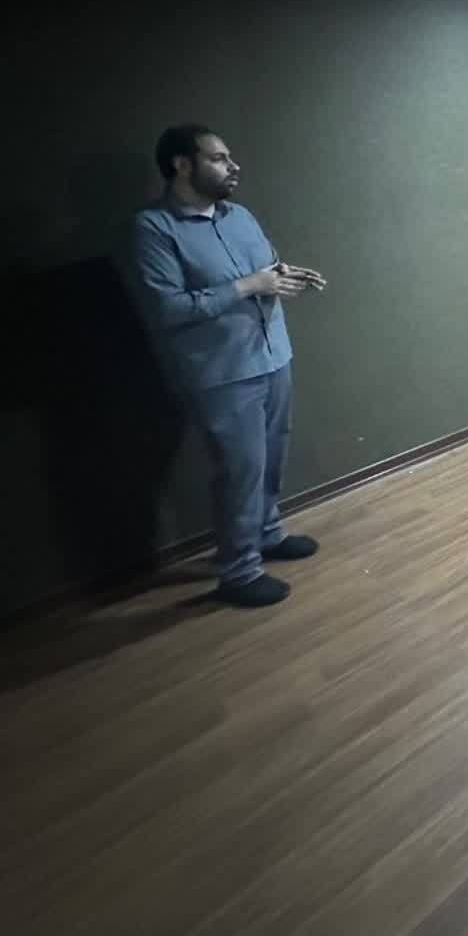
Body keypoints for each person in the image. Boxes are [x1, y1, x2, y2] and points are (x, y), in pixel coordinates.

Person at [125, 125, 328, 608]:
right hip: (223, 373)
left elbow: (267, 268)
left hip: (273, 356)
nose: (233, 166)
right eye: (218, 158)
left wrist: (283, 275)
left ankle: (268, 533)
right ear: (182, 165)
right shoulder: (154, 228)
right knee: (240, 470)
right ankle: (239, 571)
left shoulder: (240, 216)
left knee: (271, 457)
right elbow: (169, 308)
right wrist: (250, 286)